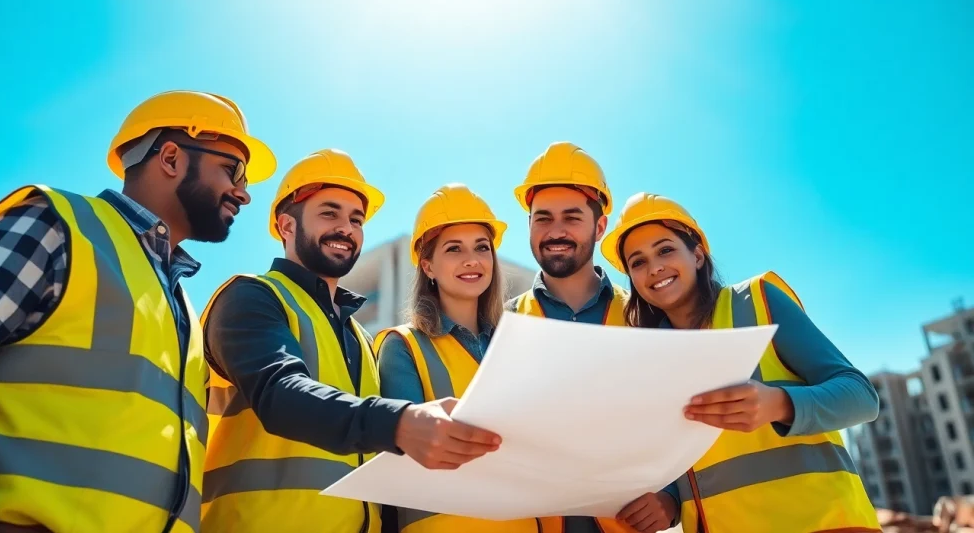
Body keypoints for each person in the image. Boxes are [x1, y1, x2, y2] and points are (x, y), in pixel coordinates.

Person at [0, 90, 276, 533]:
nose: (244, 193)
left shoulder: (182, 312)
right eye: (232, 169)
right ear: (171, 157)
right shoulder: (56, 226)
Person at [200, 151, 502, 533]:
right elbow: (280, 393)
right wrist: (401, 422)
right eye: (329, 213)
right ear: (286, 225)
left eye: (356, 219)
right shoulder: (251, 297)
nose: (346, 228)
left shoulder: (359, 338)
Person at [600, 191, 882, 533]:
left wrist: (778, 405)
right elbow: (689, 458)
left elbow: (861, 397)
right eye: (638, 262)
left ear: (698, 255)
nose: (655, 267)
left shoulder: (757, 302)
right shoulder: (652, 355)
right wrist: (671, 501)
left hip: (821, 524)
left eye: (665, 249)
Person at [506, 142, 676, 533]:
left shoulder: (643, 317)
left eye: (572, 217)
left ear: (600, 227)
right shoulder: (505, 324)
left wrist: (673, 499)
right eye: (542, 218)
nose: (556, 231)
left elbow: (675, 420)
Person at [375, 183, 564, 533]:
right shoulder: (402, 347)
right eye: (454, 249)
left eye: (481, 247)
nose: (472, 260)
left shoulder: (518, 345)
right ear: (428, 266)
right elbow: (407, 458)